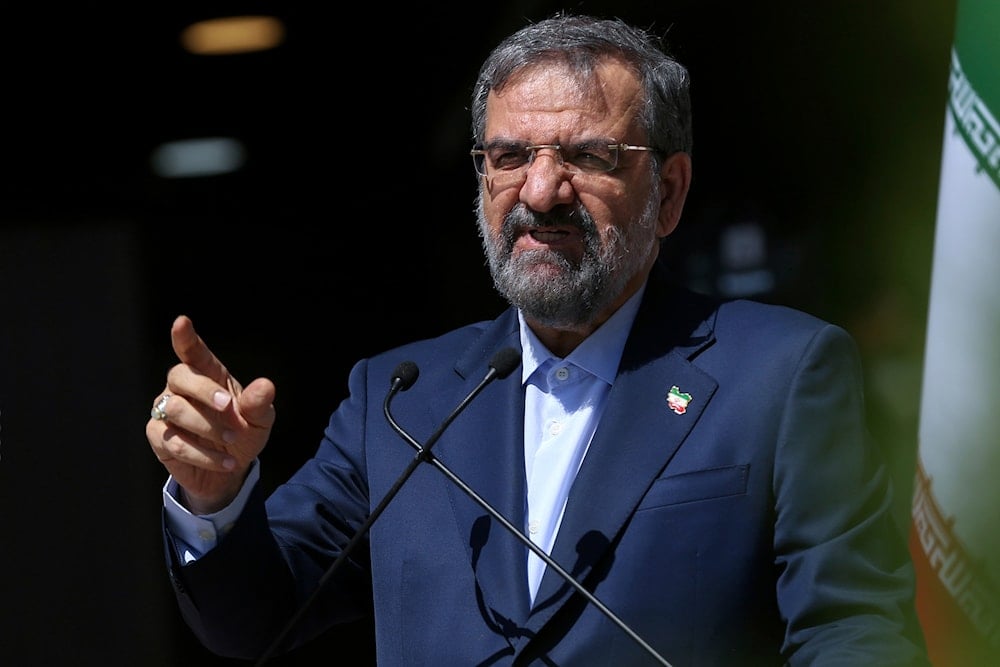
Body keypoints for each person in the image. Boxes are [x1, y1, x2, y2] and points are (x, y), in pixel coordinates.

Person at [147, 13, 930, 666]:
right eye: (511, 156)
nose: (542, 189)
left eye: (589, 156)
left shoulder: (782, 372)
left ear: (670, 192)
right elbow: (256, 617)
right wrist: (215, 498)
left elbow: (853, 630)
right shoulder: (397, 400)